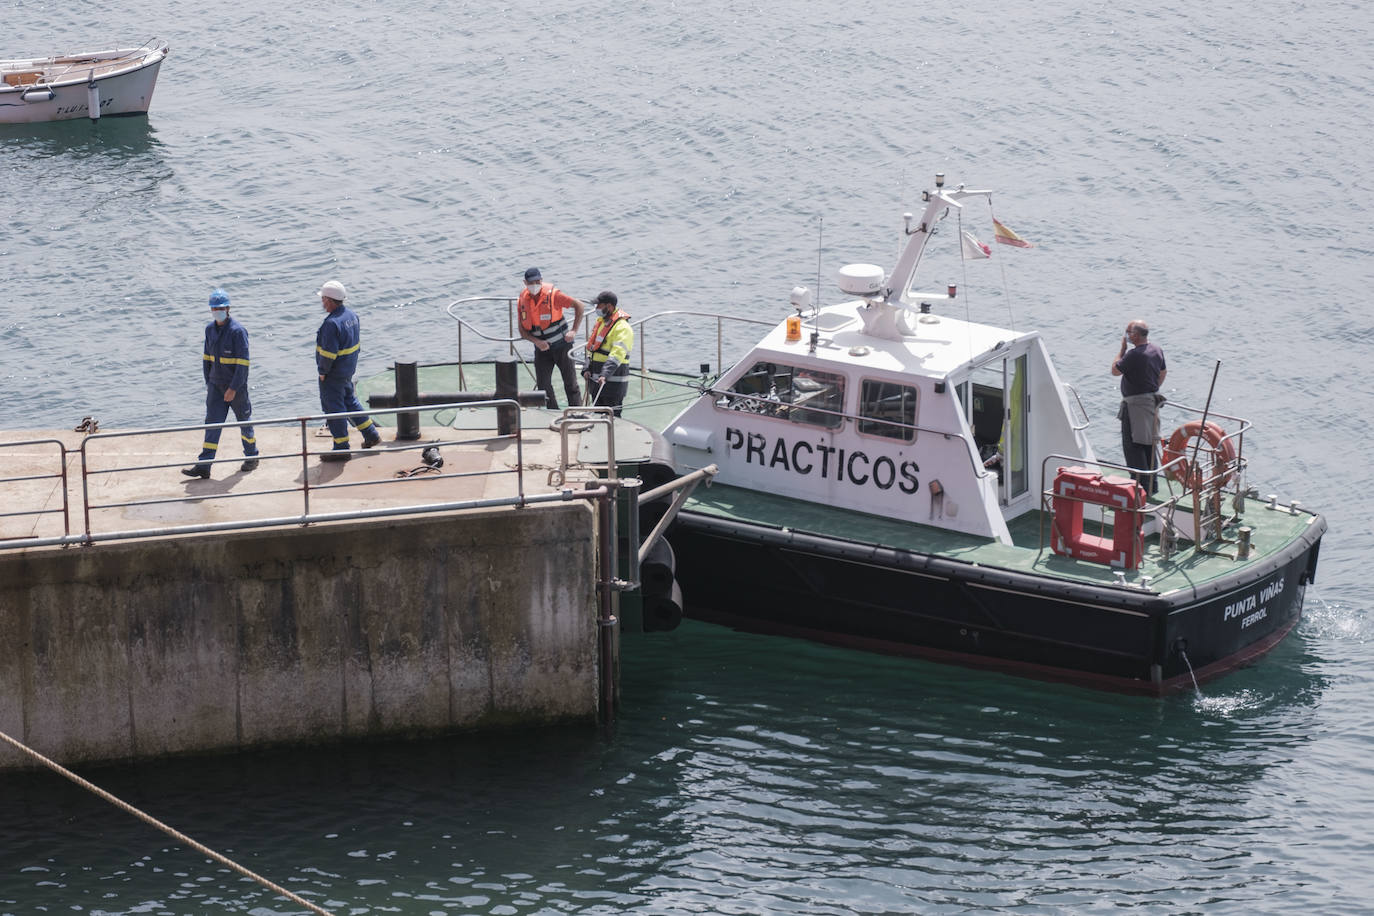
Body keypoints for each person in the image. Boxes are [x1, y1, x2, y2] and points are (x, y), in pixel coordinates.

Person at [182, 289, 259, 479]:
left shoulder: (238, 332)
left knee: (244, 421)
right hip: (216, 386)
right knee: (212, 424)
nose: (217, 311)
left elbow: (243, 364)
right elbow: (206, 359)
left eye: (220, 307)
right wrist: (209, 383)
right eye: (214, 308)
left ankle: (252, 456)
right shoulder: (209, 330)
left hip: (235, 387)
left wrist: (233, 388)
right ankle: (204, 465)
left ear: (228, 308)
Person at [316, 279, 382, 461]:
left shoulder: (331, 324)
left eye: (323, 299)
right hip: (347, 370)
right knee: (350, 402)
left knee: (334, 408)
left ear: (329, 300)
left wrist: (323, 371)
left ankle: (341, 447)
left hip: (333, 374)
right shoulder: (351, 316)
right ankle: (371, 434)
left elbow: (328, 353)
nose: (322, 303)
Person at [1112, 319, 1167, 494]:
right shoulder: (1156, 350)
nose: (1126, 335)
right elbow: (1163, 372)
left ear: (1135, 335)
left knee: (1133, 445)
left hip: (1135, 406)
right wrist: (1152, 388)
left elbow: (1115, 370)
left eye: (1128, 332)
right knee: (1149, 444)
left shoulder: (1134, 355)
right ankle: (1152, 486)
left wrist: (1122, 350)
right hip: (1151, 403)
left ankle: (1140, 486)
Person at [518, 267, 584, 409]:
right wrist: (537, 342)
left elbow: (579, 305)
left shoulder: (553, 295)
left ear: (541, 280)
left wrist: (573, 331)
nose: (535, 285)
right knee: (543, 384)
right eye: (531, 282)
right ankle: (553, 411)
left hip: (562, 346)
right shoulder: (522, 300)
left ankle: (577, 412)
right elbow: (522, 331)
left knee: (570, 382)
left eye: (537, 281)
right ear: (525, 283)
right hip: (541, 349)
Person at [583, 291, 634, 417]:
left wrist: (605, 374)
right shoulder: (601, 323)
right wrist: (587, 367)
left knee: (612, 417)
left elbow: (617, 354)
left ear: (609, 306)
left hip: (613, 382)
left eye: (599, 306)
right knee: (597, 415)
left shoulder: (622, 327)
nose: (596, 308)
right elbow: (592, 348)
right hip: (597, 381)